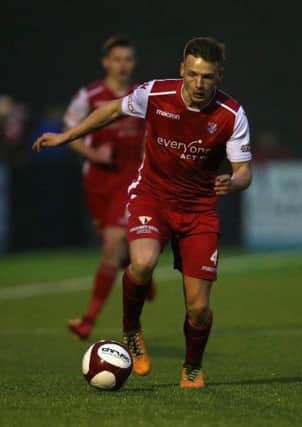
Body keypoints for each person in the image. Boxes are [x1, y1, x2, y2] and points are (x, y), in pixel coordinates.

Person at [33, 37, 253, 389]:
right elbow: (111, 110)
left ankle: (192, 367)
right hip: (152, 197)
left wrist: (234, 181)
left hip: (198, 211)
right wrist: (67, 136)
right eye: (192, 74)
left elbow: (244, 171)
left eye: (207, 77)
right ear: (182, 69)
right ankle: (132, 330)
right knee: (143, 263)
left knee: (198, 308)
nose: (198, 84)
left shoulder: (231, 115)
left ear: (219, 76)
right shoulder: (155, 94)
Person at [62, 35, 155, 340]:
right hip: (97, 183)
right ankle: (139, 271)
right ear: (106, 62)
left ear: (134, 63)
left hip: (129, 182)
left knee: (111, 246)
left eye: (128, 59)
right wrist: (93, 154)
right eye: (117, 59)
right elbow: (70, 132)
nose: (122, 65)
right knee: (115, 249)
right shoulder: (89, 96)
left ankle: (87, 320)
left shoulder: (140, 96)